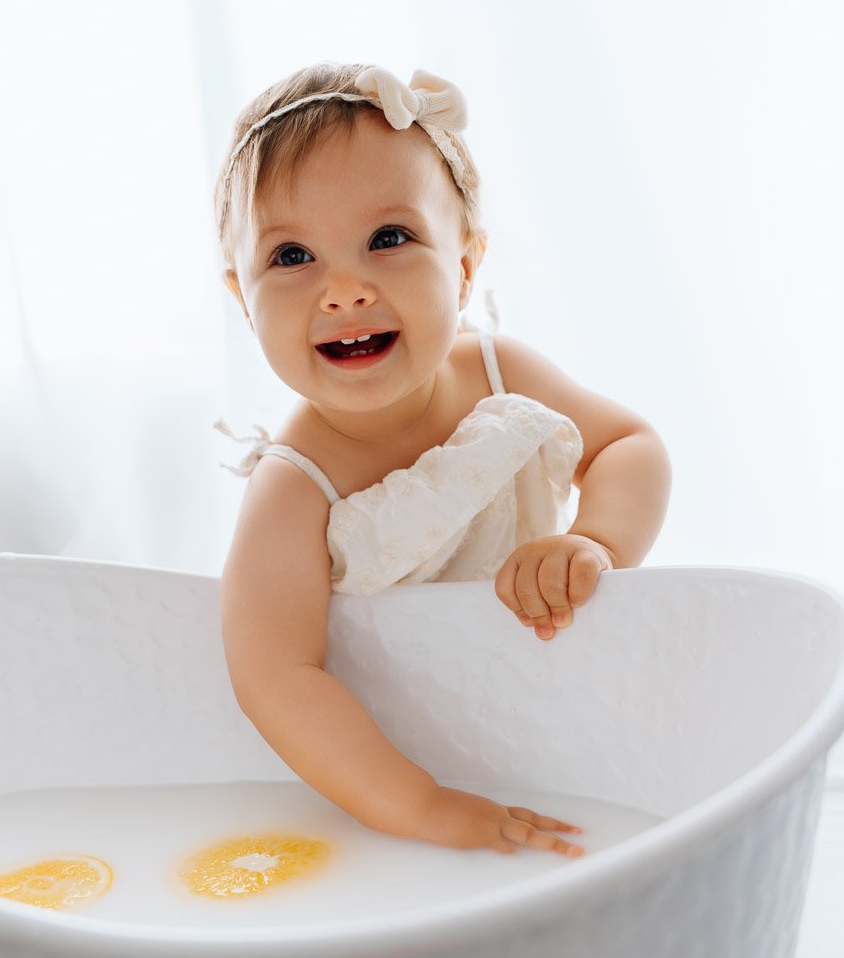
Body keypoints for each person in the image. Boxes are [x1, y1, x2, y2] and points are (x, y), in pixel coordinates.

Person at [214, 63, 672, 858]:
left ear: (463, 267)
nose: (345, 289)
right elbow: (274, 678)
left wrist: (595, 540)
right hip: (393, 751)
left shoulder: (501, 373)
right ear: (240, 296)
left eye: (388, 240)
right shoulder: (294, 487)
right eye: (292, 256)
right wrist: (419, 806)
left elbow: (629, 447)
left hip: (541, 697)